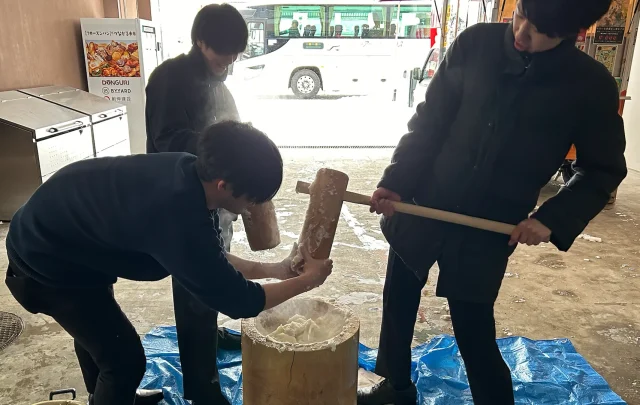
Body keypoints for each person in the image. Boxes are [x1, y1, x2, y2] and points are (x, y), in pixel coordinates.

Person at [360, 1, 627, 404]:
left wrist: (552, 219)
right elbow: (430, 122)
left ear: (574, 32)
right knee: (397, 307)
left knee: (473, 327)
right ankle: (391, 389)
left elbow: (603, 170)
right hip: (424, 202)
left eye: (539, 32)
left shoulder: (590, 86)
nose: (520, 34)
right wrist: (396, 180)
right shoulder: (475, 44)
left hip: (489, 226)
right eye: (521, 15)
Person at [5, 121, 333, 405]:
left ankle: (111, 395)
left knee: (99, 338)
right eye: (250, 200)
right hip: (46, 262)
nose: (249, 209)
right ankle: (113, 392)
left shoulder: (191, 171)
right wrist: (309, 281)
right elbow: (240, 300)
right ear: (224, 186)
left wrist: (277, 270)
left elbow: (209, 258)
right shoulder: (177, 213)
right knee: (124, 360)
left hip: (74, 239)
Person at [145, 4, 251, 404]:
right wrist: (223, 147)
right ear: (200, 41)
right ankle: (201, 387)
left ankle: (211, 329)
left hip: (217, 194)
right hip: (183, 196)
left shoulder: (219, 82)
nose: (230, 60)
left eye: (236, 52)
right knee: (195, 283)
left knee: (216, 267)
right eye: (223, 51)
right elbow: (168, 140)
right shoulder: (171, 78)